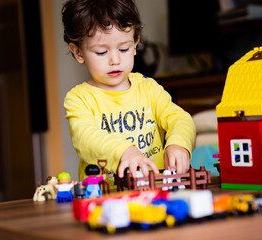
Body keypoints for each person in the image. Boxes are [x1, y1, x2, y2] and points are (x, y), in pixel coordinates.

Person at [61, 0, 196, 186]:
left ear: (135, 45)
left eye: (123, 49)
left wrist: (178, 143)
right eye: (101, 52)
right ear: (78, 53)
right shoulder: (79, 99)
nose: (115, 60)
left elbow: (181, 119)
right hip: (106, 201)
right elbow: (86, 138)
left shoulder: (149, 88)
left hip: (156, 192)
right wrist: (124, 151)